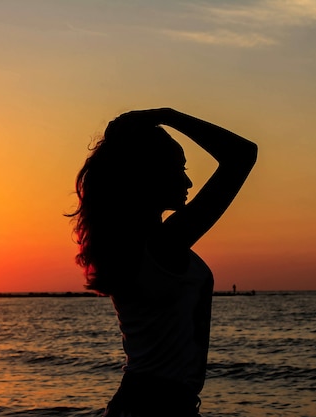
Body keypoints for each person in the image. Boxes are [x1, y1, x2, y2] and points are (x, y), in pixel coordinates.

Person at [67, 108, 257, 416]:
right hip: (156, 406)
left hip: (148, 401)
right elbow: (242, 155)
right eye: (179, 169)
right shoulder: (163, 244)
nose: (189, 181)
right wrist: (168, 115)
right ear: (149, 174)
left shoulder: (131, 244)